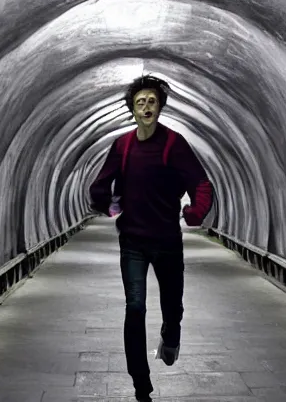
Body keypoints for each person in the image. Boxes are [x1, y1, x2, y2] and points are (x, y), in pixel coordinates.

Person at [89, 75, 214, 402]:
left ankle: (171, 334)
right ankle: (140, 384)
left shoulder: (174, 144)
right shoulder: (123, 145)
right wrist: (104, 201)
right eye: (140, 102)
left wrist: (194, 214)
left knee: (173, 307)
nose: (146, 107)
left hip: (167, 241)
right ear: (132, 109)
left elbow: (201, 184)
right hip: (132, 241)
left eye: (152, 102)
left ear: (160, 108)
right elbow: (102, 181)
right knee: (135, 307)